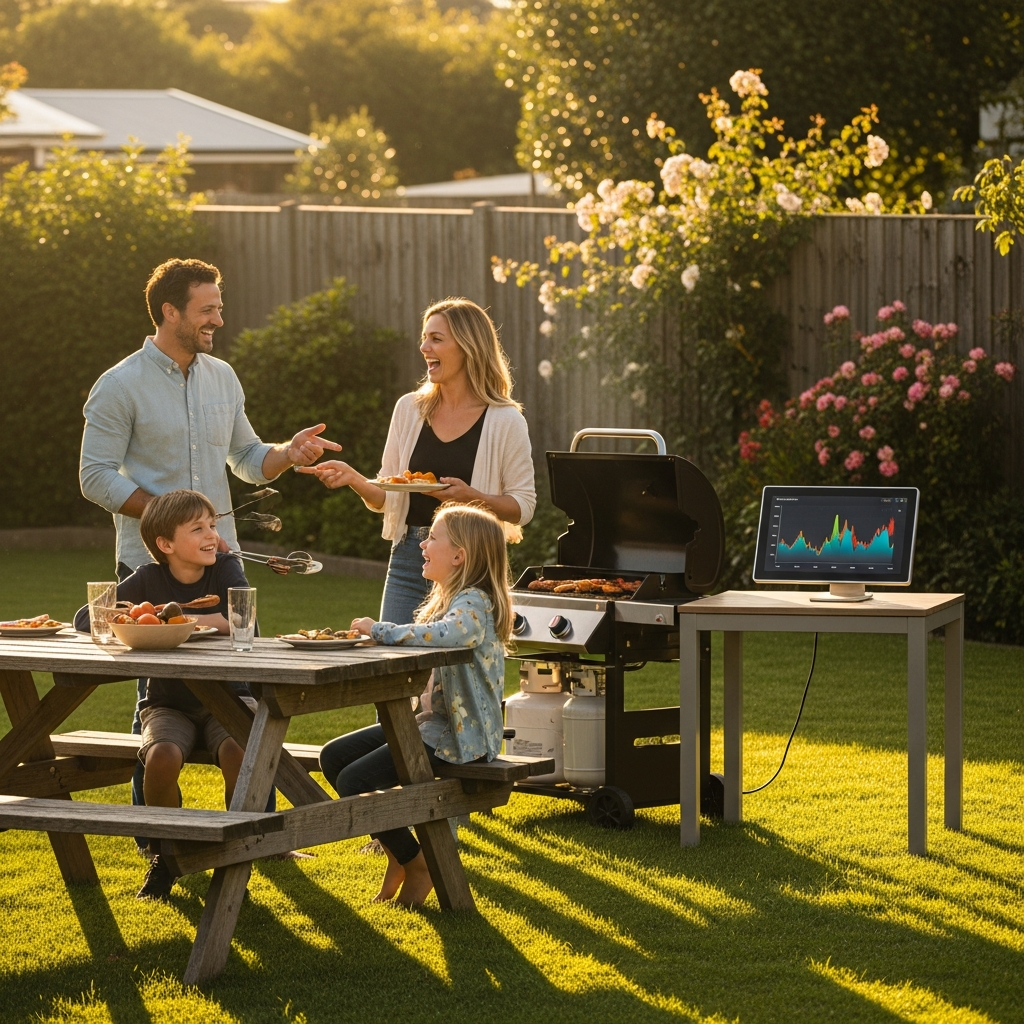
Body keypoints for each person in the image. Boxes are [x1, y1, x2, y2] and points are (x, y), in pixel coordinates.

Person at [79, 258, 341, 835]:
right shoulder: (119, 384)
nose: (218, 319)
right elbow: (95, 475)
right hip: (148, 557)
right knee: (158, 698)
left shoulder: (222, 376)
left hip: (222, 556)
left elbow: (247, 460)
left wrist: (287, 455)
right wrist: (171, 522)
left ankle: (257, 835)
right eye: (207, 309)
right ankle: (158, 843)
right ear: (170, 311)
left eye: (218, 308)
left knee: (238, 682)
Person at [298, 297, 535, 627]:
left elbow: (523, 507)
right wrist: (353, 478)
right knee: (395, 667)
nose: (424, 347)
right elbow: (387, 497)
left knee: (454, 676)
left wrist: (470, 498)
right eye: (424, 337)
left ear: (469, 347)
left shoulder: (505, 420)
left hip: (470, 562)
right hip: (410, 558)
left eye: (436, 339)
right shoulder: (409, 410)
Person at [319, 503, 511, 906]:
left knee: (354, 781)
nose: (422, 543)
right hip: (430, 722)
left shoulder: (474, 603)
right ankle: (399, 855)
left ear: (459, 555)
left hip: (458, 736)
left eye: (432, 537)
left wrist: (382, 630)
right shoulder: (451, 598)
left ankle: (418, 862)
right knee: (333, 758)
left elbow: (445, 635)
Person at [73, 489, 256, 900]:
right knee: (161, 757)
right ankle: (165, 855)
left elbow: (244, 621)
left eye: (213, 525)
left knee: (238, 752)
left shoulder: (226, 568)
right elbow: (86, 618)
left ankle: (234, 852)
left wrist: (184, 616)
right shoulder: (148, 578)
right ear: (166, 545)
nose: (212, 535)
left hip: (229, 696)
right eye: (198, 528)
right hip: (168, 702)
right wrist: (133, 613)